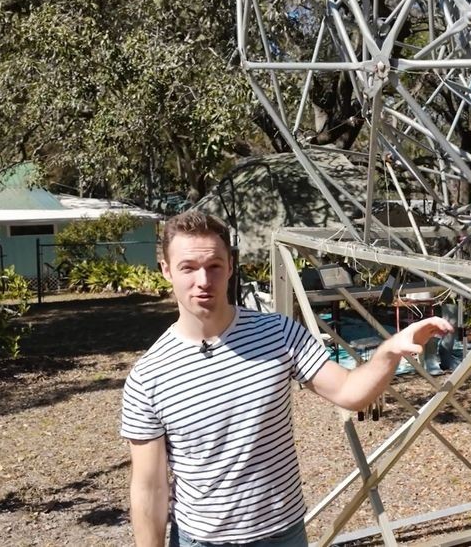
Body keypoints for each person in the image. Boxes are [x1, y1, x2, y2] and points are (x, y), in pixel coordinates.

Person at [120, 211, 452, 547]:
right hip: (201, 541)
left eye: (214, 266)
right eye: (188, 268)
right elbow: (150, 488)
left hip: (283, 535)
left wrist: (389, 351)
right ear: (165, 269)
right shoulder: (148, 376)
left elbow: (350, 392)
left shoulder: (278, 333)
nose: (203, 280)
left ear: (230, 266)